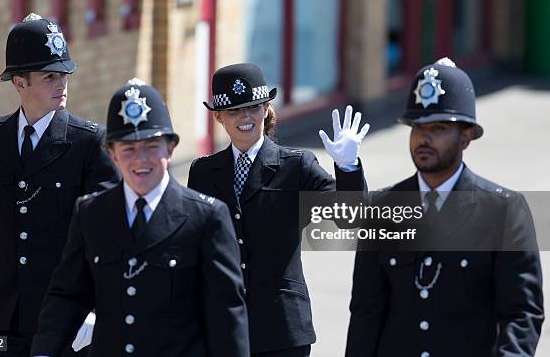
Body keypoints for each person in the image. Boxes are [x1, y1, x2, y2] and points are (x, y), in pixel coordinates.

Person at [30, 79, 249, 356]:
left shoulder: (206, 218)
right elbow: (67, 297)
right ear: (112, 154)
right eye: (128, 149)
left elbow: (226, 316)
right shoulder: (91, 213)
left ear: (170, 148)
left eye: (151, 146)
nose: (140, 160)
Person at [0, 13, 118, 356]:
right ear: (20, 83)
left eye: (64, 74)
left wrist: (97, 305)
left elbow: (106, 232)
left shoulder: (88, 142)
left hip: (65, 320)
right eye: (50, 76)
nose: (61, 84)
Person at [343, 58, 544, 356]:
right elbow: (366, 312)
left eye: (438, 128)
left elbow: (521, 315)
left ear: (465, 138)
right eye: (417, 127)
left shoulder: (504, 211)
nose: (424, 138)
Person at [187, 63, 369, 356]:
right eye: (234, 111)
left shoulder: (296, 165)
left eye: (253, 108)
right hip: (222, 327)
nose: (245, 117)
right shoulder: (204, 172)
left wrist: (348, 167)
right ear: (219, 117)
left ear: (267, 109)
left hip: (281, 330)